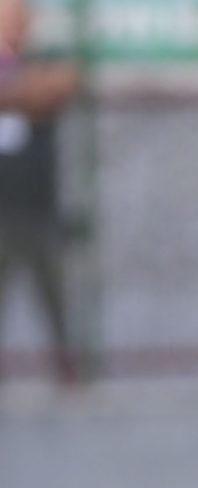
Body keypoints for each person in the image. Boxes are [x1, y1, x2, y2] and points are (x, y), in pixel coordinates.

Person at [0, 0, 73, 384]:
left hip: (39, 210)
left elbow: (56, 88)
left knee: (57, 301)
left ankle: (71, 377)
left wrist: (17, 91)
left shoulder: (45, 55)